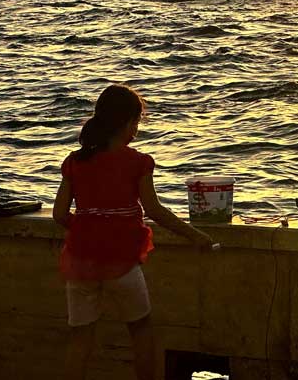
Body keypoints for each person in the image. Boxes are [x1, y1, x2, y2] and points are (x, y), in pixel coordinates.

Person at [53, 85, 214, 380]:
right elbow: (154, 210)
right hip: (122, 263)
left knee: (80, 339)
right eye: (137, 122)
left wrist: (88, 228)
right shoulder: (138, 162)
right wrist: (195, 235)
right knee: (141, 331)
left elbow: (59, 214)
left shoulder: (75, 162)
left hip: (80, 263)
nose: (136, 129)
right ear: (128, 122)